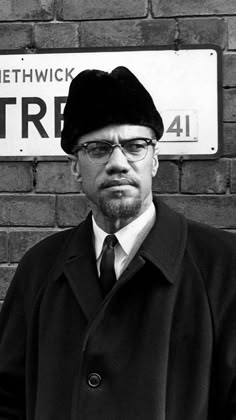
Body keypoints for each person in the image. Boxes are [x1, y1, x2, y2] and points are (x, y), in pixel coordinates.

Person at [0, 66, 235, 420]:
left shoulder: (223, 265)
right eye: (98, 149)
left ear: (154, 159)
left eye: (135, 146)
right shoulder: (40, 267)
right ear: (75, 167)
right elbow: (6, 396)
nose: (118, 163)